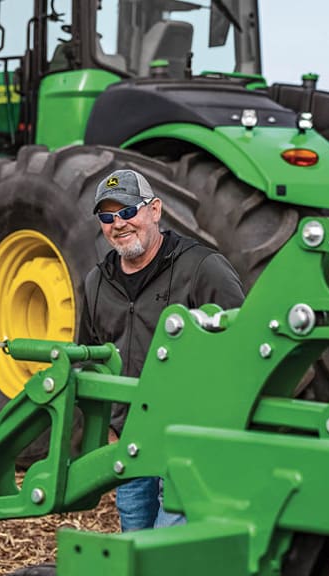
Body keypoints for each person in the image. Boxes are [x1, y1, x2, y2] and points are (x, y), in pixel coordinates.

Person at [77, 168, 245, 531]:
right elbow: (89, 358)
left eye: (127, 211)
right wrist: (110, 426)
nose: (117, 223)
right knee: (134, 540)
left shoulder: (202, 268)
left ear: (155, 210)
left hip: (187, 441)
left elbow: (242, 348)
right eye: (106, 216)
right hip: (133, 439)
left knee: (167, 544)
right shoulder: (96, 282)